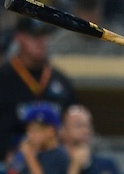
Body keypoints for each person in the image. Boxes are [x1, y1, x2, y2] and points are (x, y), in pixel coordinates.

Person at [0, 17, 78, 162]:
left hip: (55, 163)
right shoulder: (4, 78)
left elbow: (72, 123)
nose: (41, 41)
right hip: (10, 161)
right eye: (34, 36)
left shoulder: (60, 80)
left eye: (44, 35)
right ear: (19, 38)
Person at [6, 102, 69, 174]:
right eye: (28, 131)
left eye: (34, 130)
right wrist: (12, 170)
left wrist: (29, 155)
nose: (29, 135)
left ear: (50, 131)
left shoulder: (59, 154)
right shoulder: (34, 156)